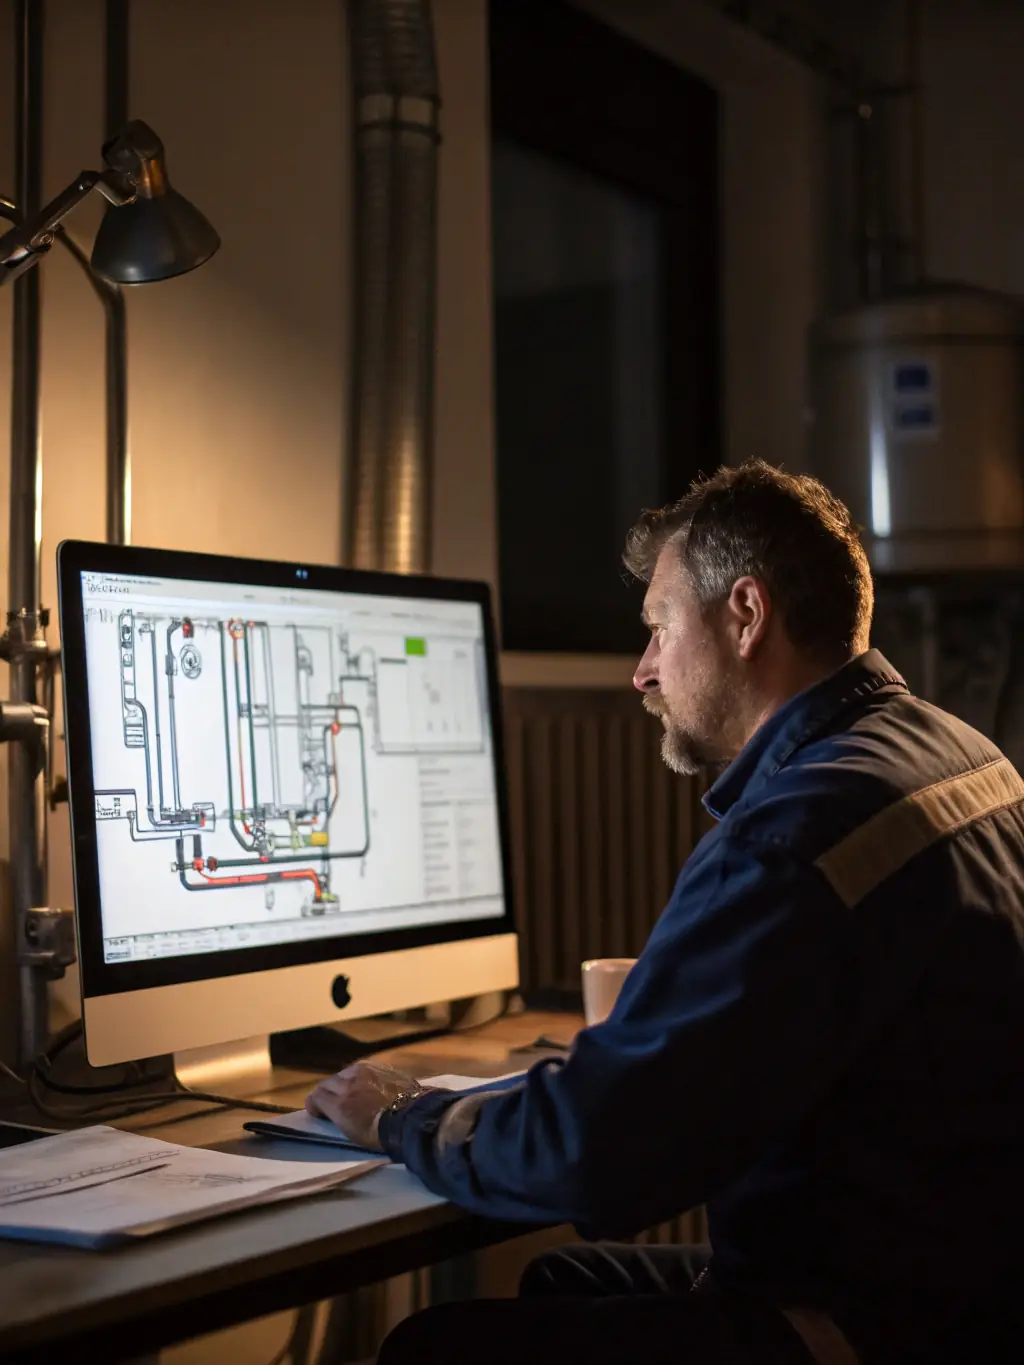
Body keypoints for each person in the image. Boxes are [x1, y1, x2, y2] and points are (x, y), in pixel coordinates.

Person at [307, 462, 1024, 1365]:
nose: (643, 673)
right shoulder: (959, 751)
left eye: (657, 628)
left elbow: (600, 1157)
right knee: (565, 1283)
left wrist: (402, 1115)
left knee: (438, 1346)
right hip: (962, 1274)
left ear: (747, 615)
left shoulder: (795, 832)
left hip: (882, 1324)